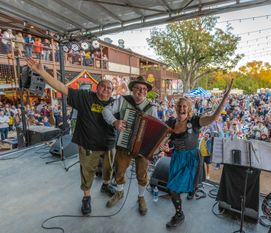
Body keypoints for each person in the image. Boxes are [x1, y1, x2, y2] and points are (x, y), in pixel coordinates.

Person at [26, 58, 116, 216]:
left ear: (112, 91)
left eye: (109, 88)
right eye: (103, 86)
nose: (106, 90)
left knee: (108, 168)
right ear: (97, 87)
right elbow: (61, 87)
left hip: (109, 144)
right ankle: (86, 197)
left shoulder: (116, 103)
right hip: (88, 144)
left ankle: (106, 185)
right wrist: (41, 72)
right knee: (87, 171)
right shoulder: (85, 97)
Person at [159, 80, 233, 228]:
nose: (181, 108)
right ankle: (190, 190)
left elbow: (213, 118)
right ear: (175, 107)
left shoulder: (195, 121)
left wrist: (224, 99)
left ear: (189, 108)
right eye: (179, 106)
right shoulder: (171, 122)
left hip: (191, 158)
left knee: (173, 189)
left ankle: (179, 214)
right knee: (176, 185)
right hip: (177, 158)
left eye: (184, 106)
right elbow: (163, 139)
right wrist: (163, 146)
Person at [102, 75, 157, 216]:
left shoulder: (152, 108)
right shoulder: (122, 100)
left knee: (142, 174)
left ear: (147, 91)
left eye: (144, 89)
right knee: (119, 171)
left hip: (143, 148)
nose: (141, 91)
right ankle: (119, 193)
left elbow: (158, 128)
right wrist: (115, 122)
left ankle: (141, 197)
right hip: (123, 144)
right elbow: (105, 111)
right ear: (132, 89)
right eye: (138, 88)